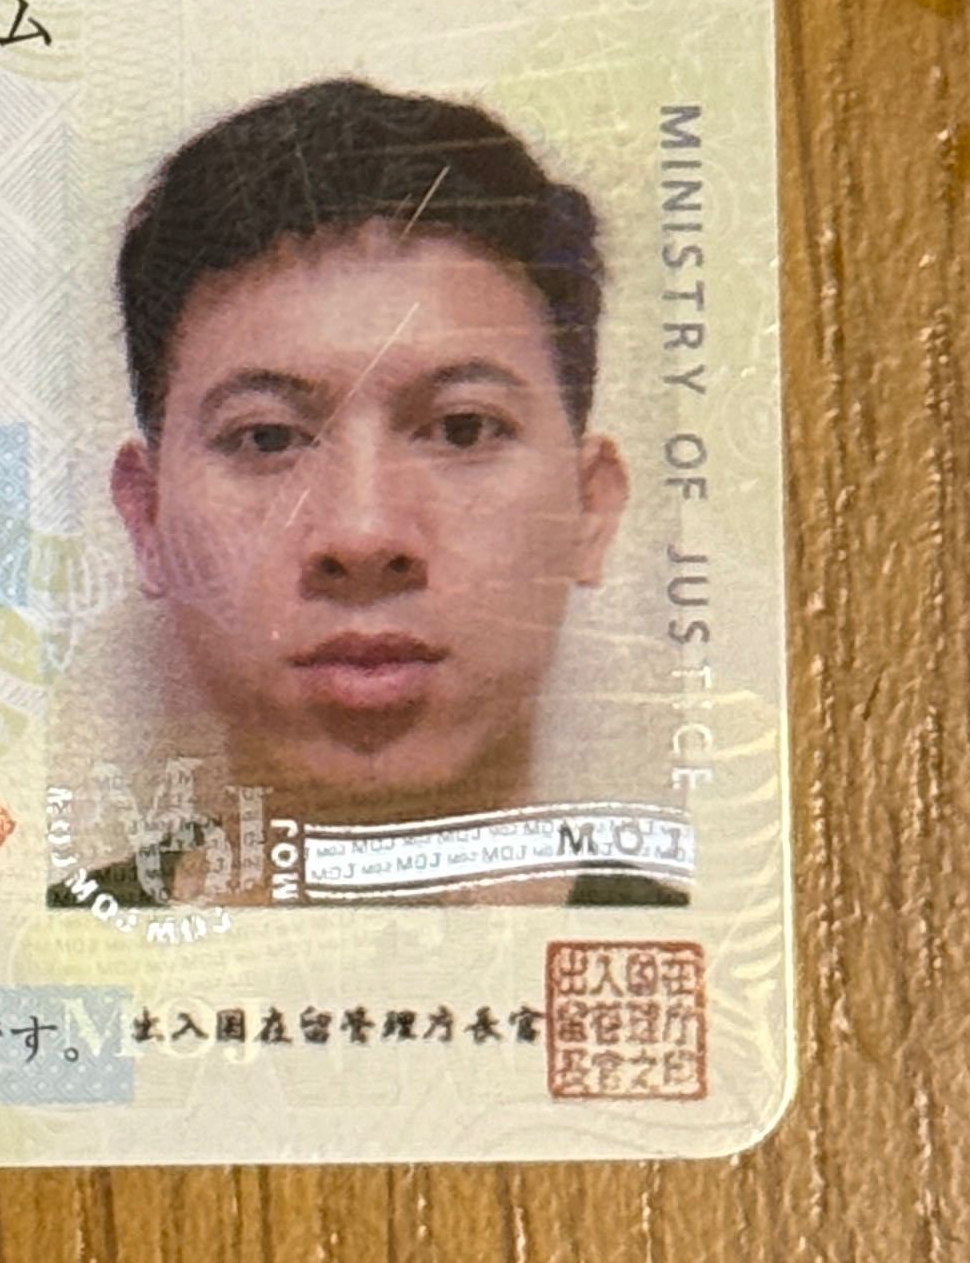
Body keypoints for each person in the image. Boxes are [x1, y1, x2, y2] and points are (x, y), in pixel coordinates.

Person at [54, 78, 681, 908]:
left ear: (590, 509)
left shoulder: (734, 964)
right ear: (148, 518)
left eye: (463, 428)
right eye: (266, 437)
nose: (362, 535)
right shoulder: (19, 962)